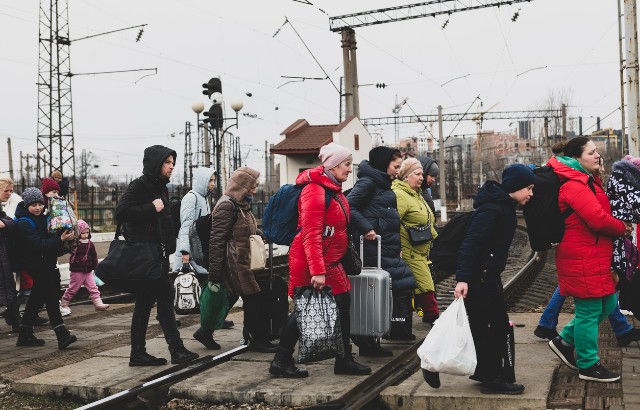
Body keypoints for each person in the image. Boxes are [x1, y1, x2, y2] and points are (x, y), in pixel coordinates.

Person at [269, 142, 372, 378]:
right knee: (305, 309)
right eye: (346, 164)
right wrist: (317, 271)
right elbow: (310, 234)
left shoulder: (333, 190)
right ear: (334, 166)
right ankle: (281, 360)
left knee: (343, 302)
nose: (349, 169)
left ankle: (344, 358)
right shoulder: (315, 191)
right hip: (312, 262)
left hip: (331, 262)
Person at [545, 137, 630, 383]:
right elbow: (597, 219)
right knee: (589, 310)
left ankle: (563, 341)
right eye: (592, 152)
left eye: (597, 152)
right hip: (581, 256)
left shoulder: (586, 180)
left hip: (593, 254)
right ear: (576, 159)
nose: (598, 156)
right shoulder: (574, 184)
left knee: (605, 304)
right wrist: (622, 227)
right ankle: (588, 365)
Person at [449, 164, 535, 394]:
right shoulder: (492, 210)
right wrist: (463, 278)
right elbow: (470, 244)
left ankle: (484, 372)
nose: (531, 193)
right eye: (528, 188)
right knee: (493, 327)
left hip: (488, 277)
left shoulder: (503, 206)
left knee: (486, 327)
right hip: (480, 279)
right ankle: (492, 380)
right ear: (515, 187)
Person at [115, 145, 199, 366]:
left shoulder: (160, 187)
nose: (171, 166)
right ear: (155, 163)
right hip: (146, 256)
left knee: (147, 304)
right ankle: (176, 350)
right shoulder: (141, 185)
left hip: (157, 255)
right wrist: (151, 208)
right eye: (167, 162)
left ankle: (139, 353)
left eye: (172, 162)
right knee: (162, 298)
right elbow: (121, 212)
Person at [197, 166, 275, 352]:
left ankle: (205, 332)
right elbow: (216, 240)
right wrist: (215, 273)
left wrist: (262, 234)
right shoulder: (227, 205)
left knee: (231, 297)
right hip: (233, 262)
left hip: (241, 260)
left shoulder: (242, 204)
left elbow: (245, 229)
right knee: (253, 297)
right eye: (252, 186)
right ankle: (258, 340)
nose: (255, 190)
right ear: (242, 186)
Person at [348, 146, 416, 350]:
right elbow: (348, 205)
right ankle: (368, 339)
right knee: (380, 290)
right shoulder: (369, 182)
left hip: (386, 248)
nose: (398, 171)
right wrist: (366, 227)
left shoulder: (384, 185)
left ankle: (384, 332)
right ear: (383, 164)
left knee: (399, 285)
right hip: (373, 248)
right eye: (395, 166)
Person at [14, 187, 77, 349]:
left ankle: (25, 334)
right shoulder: (23, 223)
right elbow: (37, 245)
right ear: (26, 205)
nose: (37, 208)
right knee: (50, 297)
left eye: (40, 204)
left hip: (45, 263)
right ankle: (62, 334)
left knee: (37, 297)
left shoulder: (42, 218)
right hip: (34, 264)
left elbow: (49, 236)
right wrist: (59, 240)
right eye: (33, 205)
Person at [392, 158, 440, 326]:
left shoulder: (416, 193)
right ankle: (432, 317)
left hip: (420, 249)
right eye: (417, 174)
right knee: (425, 284)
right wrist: (396, 248)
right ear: (406, 176)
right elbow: (392, 223)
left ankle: (427, 316)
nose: (421, 177)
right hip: (409, 250)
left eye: (421, 174)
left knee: (421, 285)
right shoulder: (400, 195)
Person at [59, 219, 109, 316]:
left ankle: (98, 304)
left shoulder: (90, 244)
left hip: (88, 270)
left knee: (93, 287)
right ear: (78, 233)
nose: (86, 235)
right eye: (83, 233)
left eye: (87, 232)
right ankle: (64, 304)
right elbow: (68, 250)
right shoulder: (75, 243)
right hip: (77, 270)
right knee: (73, 288)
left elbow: (94, 256)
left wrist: (95, 267)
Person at [172, 167, 216, 275]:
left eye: (214, 180)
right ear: (202, 181)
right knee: (186, 286)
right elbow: (186, 226)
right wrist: (185, 253)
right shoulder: (191, 198)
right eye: (210, 180)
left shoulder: (204, 199)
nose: (213, 183)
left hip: (198, 250)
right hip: (189, 253)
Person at [0, 208, 19, 331]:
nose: (9, 194)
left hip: (3, 259)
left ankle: (14, 317)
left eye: (11, 191)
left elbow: (10, 222)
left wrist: (4, 223)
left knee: (9, 288)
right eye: (6, 191)